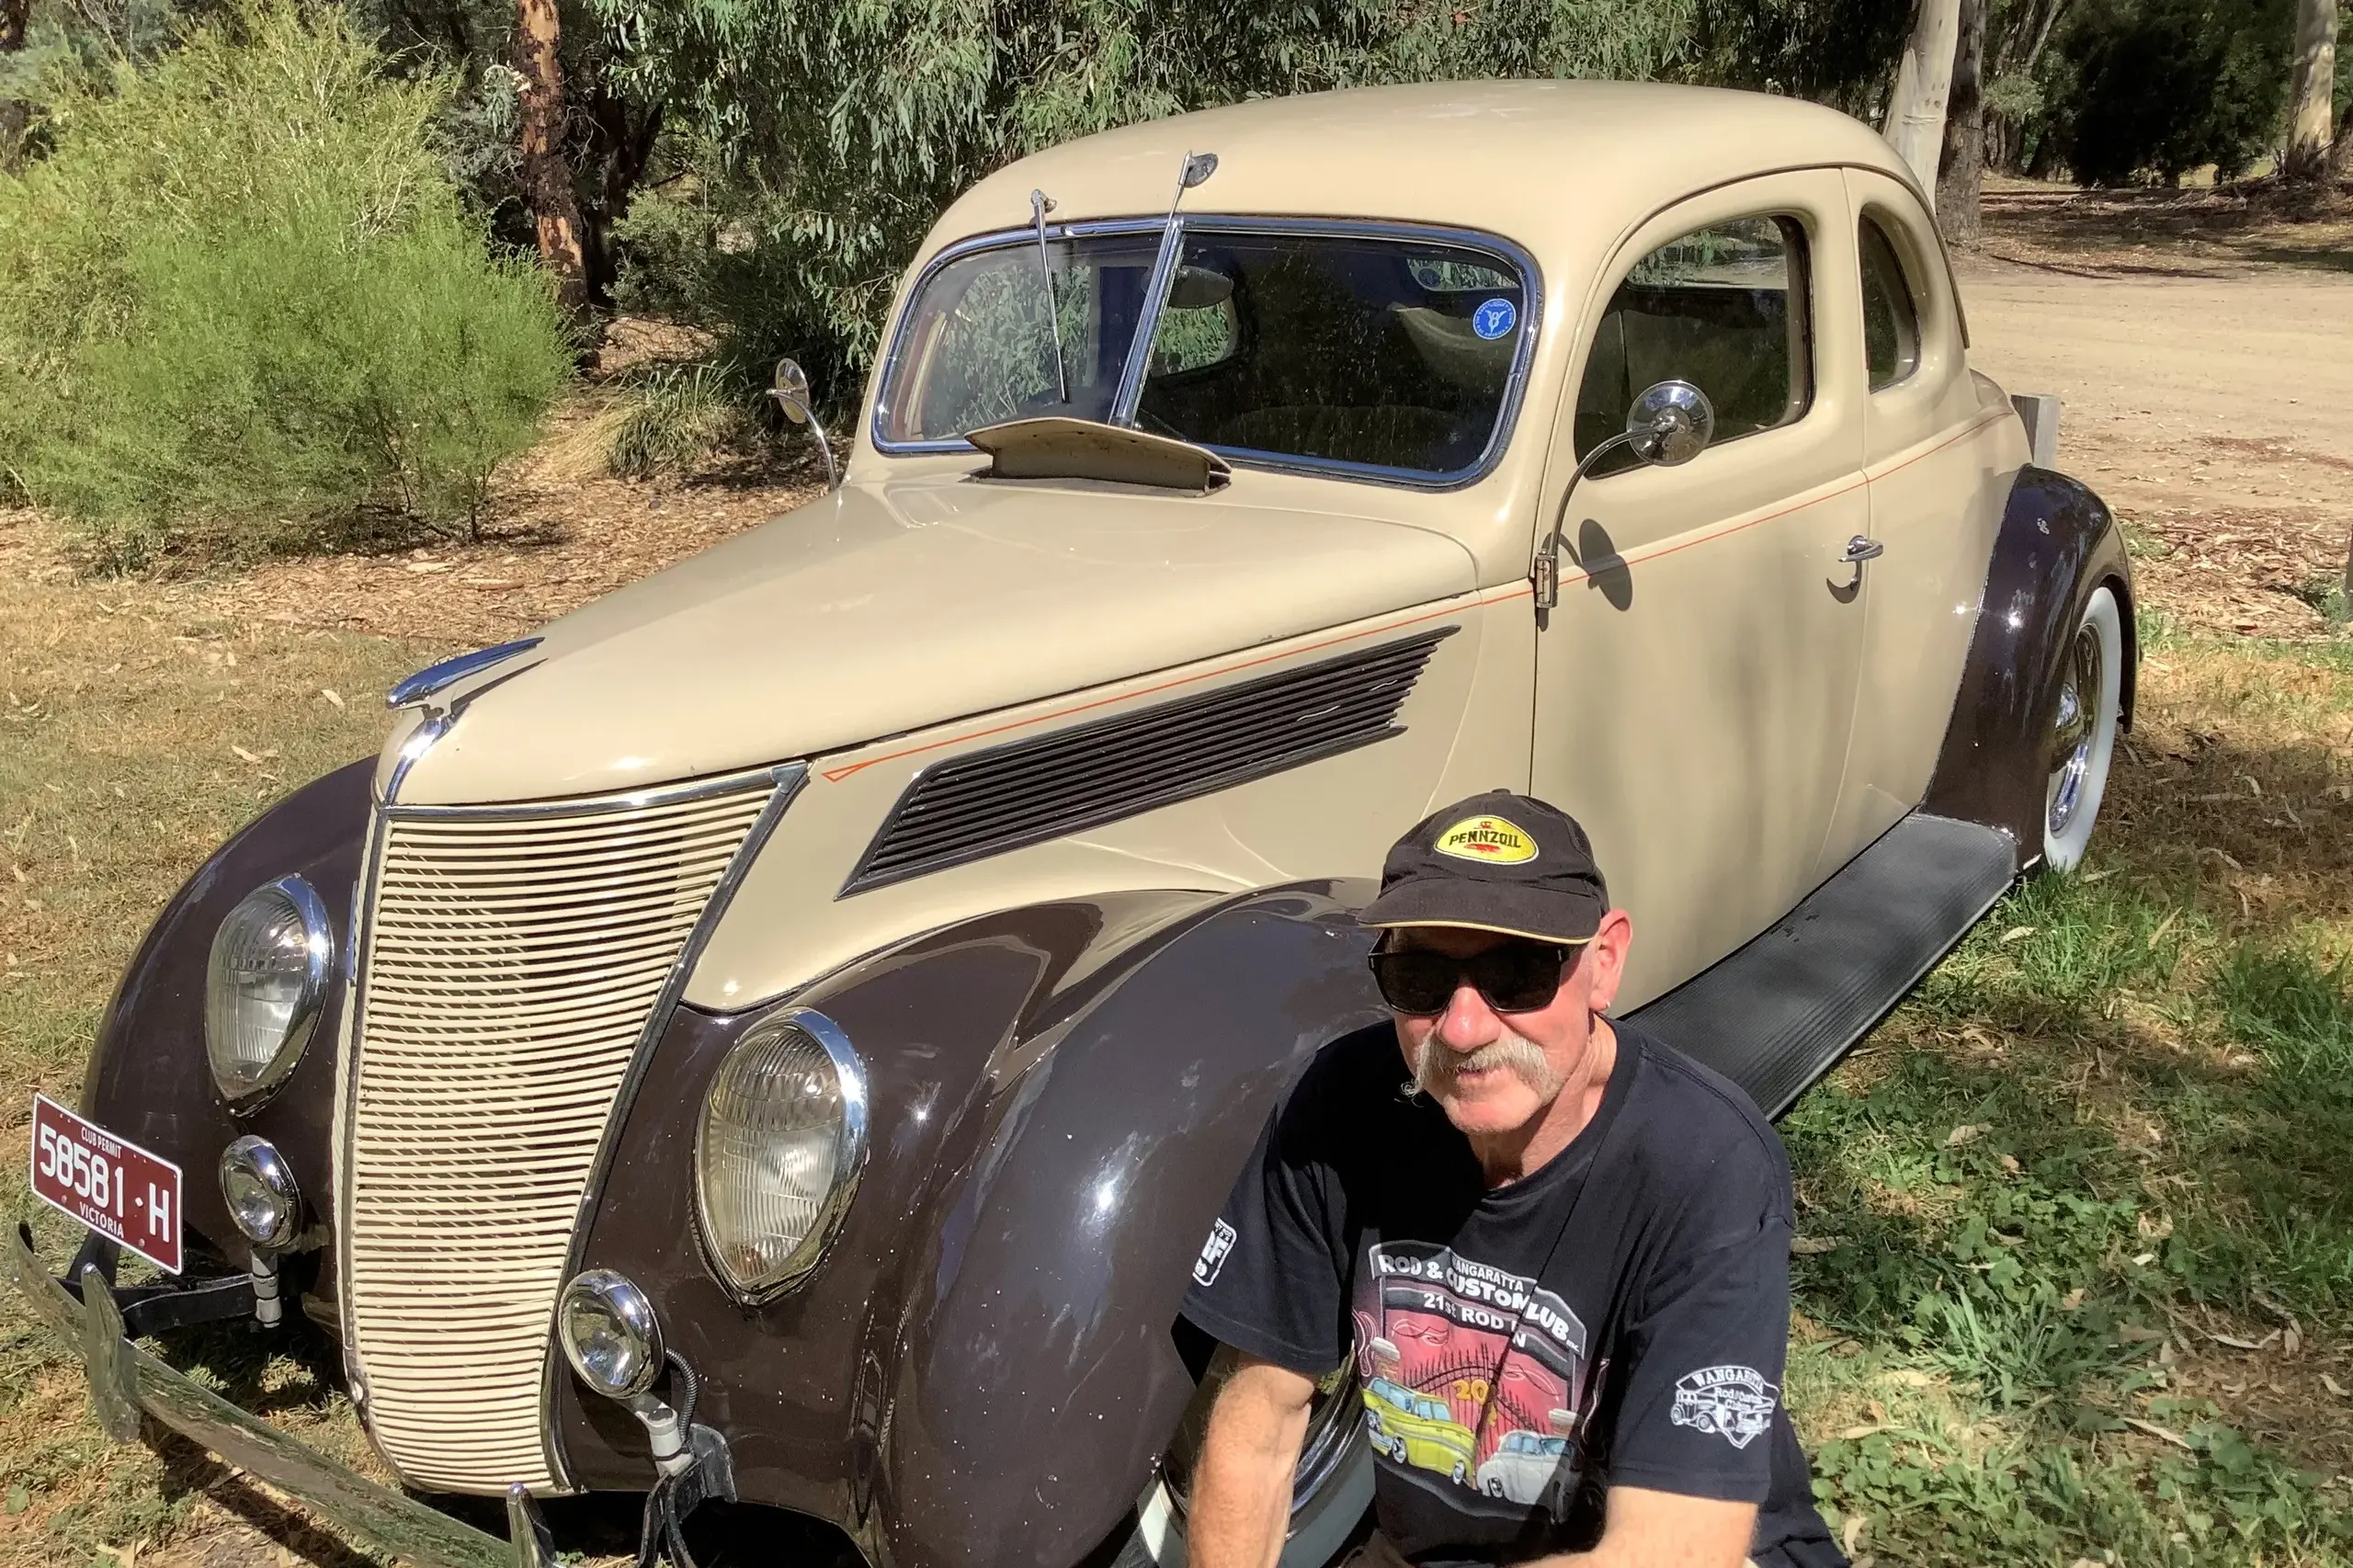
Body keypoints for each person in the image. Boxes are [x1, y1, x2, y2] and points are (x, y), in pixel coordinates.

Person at [1178, 790, 1846, 1568]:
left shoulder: (1705, 1162)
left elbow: (1679, 1546)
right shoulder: (1341, 1105)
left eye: (1518, 973)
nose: (1464, 1029)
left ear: (1604, 963)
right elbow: (1260, 1420)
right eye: (1420, 976)